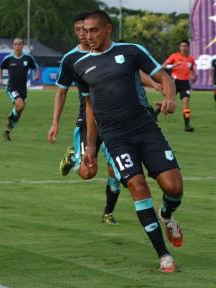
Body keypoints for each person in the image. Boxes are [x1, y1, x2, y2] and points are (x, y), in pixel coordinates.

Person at [75, 10, 184, 273]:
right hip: (115, 137)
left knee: (174, 188)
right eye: (85, 31)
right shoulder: (80, 66)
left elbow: (165, 78)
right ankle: (164, 256)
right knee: (137, 186)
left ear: (108, 29)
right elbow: (90, 108)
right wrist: (91, 146)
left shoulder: (132, 51)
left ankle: (167, 215)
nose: (88, 36)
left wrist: (170, 98)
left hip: (146, 129)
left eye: (94, 31)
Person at [47, 14, 164, 225]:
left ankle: (108, 212)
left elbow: (133, 70)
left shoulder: (115, 51)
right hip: (89, 119)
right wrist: (55, 122)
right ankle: (75, 156)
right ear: (75, 31)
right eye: (80, 30)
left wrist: (153, 83)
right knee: (87, 172)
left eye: (88, 29)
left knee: (116, 170)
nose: (84, 34)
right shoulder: (72, 59)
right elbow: (61, 92)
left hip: (117, 123)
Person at [0, 38, 40, 141]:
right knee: (20, 105)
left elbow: (36, 67)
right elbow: (1, 68)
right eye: (15, 44)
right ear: (13, 46)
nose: (17, 46)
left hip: (23, 89)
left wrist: (36, 75)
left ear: (23, 45)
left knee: (20, 111)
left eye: (19, 44)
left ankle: (7, 131)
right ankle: (11, 114)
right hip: (12, 87)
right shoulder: (8, 58)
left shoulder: (28, 58)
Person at [162, 40, 197, 132]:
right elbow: (163, 66)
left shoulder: (191, 59)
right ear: (179, 47)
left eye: (185, 46)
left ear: (188, 47)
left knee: (186, 103)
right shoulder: (174, 56)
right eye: (182, 46)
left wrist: (195, 76)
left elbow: (191, 69)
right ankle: (154, 114)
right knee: (168, 101)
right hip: (175, 82)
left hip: (185, 83)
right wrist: (173, 65)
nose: (183, 48)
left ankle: (187, 125)